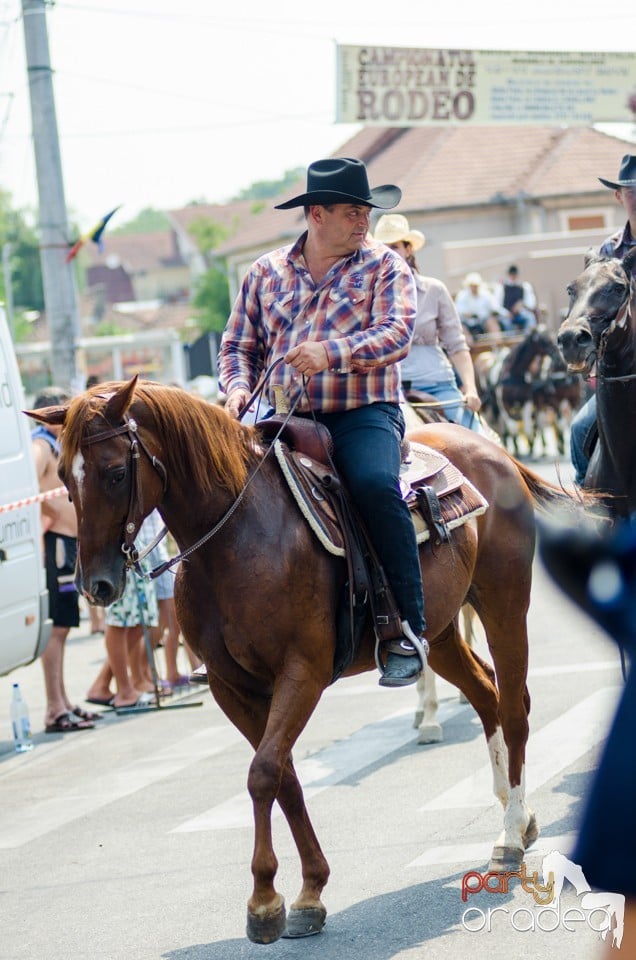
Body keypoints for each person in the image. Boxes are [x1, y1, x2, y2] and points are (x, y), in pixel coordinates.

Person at [216, 157, 427, 687]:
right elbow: (238, 345)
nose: (364, 221)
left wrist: (331, 352)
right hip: (283, 415)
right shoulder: (265, 272)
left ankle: (406, 627)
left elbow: (397, 334)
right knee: (224, 494)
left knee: (377, 486)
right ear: (316, 214)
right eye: (353, 211)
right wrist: (238, 388)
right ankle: (223, 629)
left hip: (363, 412)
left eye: (366, 212)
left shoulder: (385, 267)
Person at [373, 213, 482, 430]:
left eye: (394, 247)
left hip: (436, 385)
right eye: (381, 249)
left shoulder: (435, 290)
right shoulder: (368, 295)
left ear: (408, 249)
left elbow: (456, 344)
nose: (387, 254)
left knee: (476, 440)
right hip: (387, 392)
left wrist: (470, 389)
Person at [31, 387, 97, 733]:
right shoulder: (41, 444)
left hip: (68, 545)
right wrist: (51, 515)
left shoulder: (57, 444)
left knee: (66, 624)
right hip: (58, 545)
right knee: (57, 627)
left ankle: (64, 700)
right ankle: (54, 708)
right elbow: (28, 482)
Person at [570, 154, 636, 487]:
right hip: (621, 378)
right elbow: (587, 309)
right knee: (580, 428)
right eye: (631, 190)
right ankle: (588, 503)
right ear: (618, 196)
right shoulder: (607, 252)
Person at [454, 272, 509, 341]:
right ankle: (470, 348)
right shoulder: (462, 296)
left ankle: (497, 344)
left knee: (492, 322)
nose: (474, 287)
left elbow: (495, 307)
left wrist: (505, 313)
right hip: (468, 323)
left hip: (483, 321)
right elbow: (459, 312)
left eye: (475, 285)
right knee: (462, 329)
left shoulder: (485, 294)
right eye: (472, 285)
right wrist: (470, 315)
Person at [493, 264, 537, 333]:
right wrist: (506, 313)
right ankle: (511, 341)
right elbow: (496, 306)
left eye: (514, 274)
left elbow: (531, 304)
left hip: (520, 314)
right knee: (506, 323)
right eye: (511, 274)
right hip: (506, 315)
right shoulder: (501, 288)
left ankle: (529, 338)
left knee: (530, 317)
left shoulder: (524, 286)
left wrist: (522, 305)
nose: (513, 276)